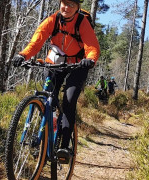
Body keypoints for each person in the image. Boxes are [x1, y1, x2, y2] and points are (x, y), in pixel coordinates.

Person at [12, 0, 100, 163]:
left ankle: (64, 147)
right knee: (48, 98)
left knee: (69, 100)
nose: (66, 7)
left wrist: (90, 59)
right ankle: (46, 137)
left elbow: (92, 46)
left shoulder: (82, 22)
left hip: (78, 65)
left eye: (71, 5)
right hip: (56, 62)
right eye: (64, 3)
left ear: (77, 8)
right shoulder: (52, 20)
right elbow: (36, 42)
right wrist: (23, 55)